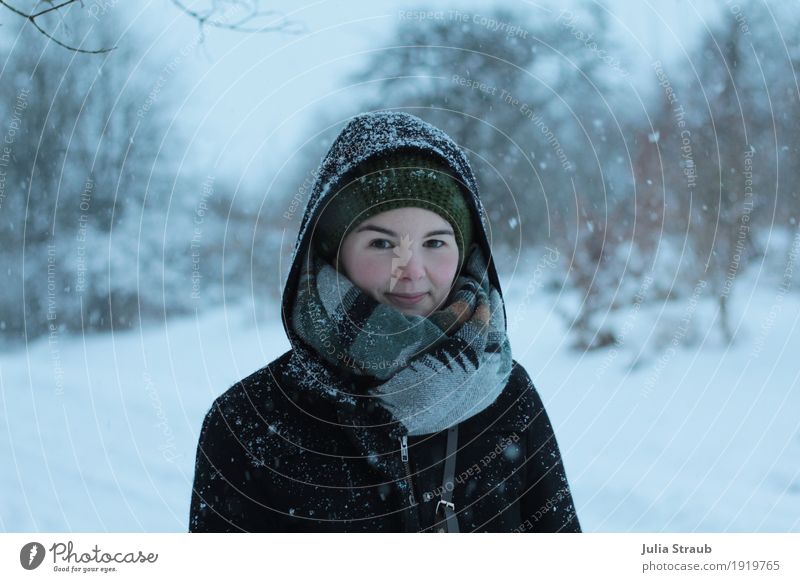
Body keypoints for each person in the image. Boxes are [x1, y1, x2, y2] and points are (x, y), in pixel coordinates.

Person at [188, 111, 581, 532]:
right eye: (381, 243)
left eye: (434, 242)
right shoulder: (249, 421)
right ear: (333, 251)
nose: (410, 270)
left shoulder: (509, 397)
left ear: (465, 249)